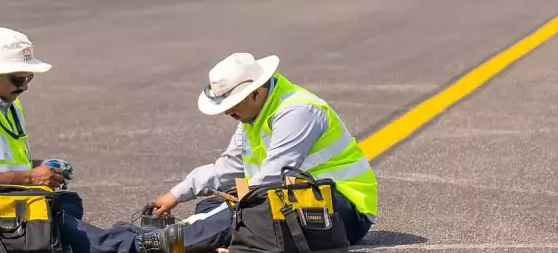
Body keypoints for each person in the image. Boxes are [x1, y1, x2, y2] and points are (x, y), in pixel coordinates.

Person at [0, 27, 183, 253]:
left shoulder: (5, 99)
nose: (25, 86)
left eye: (29, 77)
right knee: (50, 223)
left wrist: (41, 165)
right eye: (19, 78)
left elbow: (1, 158)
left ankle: (119, 240)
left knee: (65, 206)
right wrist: (32, 177)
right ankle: (134, 245)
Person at [136, 52, 378, 250]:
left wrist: (201, 223)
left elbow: (269, 181)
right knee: (210, 207)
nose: (227, 113)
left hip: (344, 210)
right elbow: (228, 169)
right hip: (307, 199)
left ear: (255, 92)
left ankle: (176, 240)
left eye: (232, 104)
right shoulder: (253, 116)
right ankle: (204, 236)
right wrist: (175, 195)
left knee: (239, 213)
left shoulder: (298, 111)